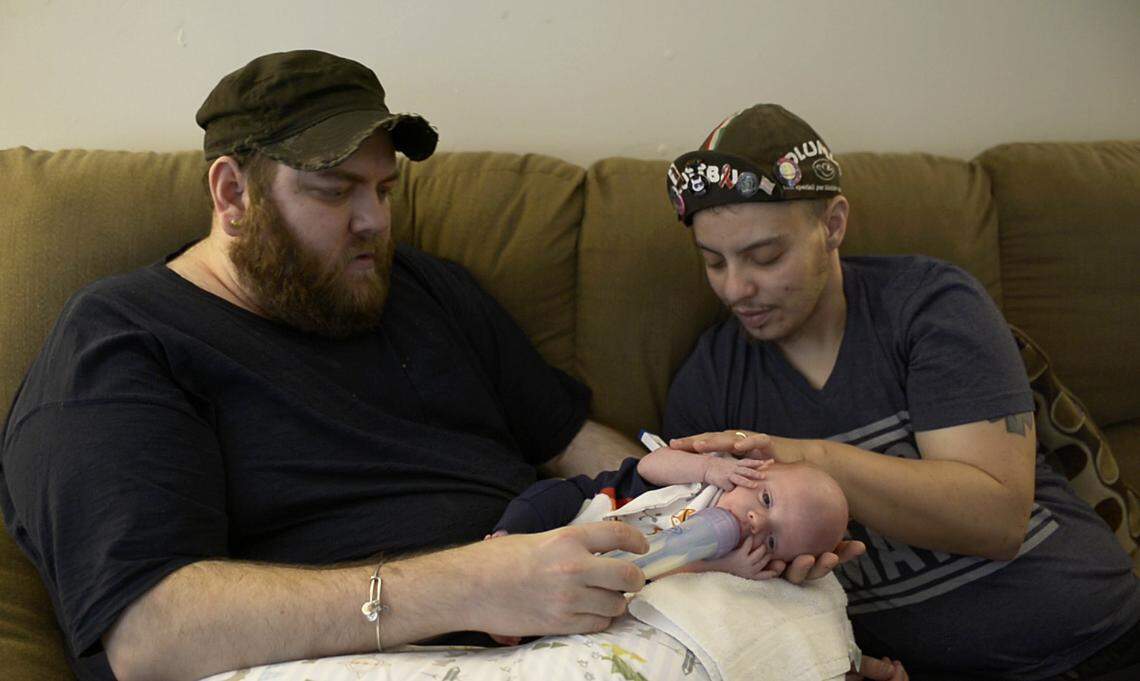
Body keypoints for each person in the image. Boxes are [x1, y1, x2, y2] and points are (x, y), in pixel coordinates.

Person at [0, 53, 858, 681]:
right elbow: (150, 632)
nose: (374, 220)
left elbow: (574, 446)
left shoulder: (424, 290)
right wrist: (472, 588)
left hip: (573, 617)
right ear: (233, 194)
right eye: (337, 193)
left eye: (385, 189)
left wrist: (727, 514)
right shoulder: (122, 340)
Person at [660, 103, 1140, 679]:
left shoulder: (928, 306)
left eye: (766, 256)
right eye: (714, 262)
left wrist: (808, 456)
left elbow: (996, 520)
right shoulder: (711, 385)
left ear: (832, 225)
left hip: (1099, 642)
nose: (737, 289)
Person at [493, 444, 850, 571]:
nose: (757, 521)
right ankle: (504, 539)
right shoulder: (720, 471)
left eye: (772, 541)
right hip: (596, 505)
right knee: (547, 497)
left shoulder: (728, 552)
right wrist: (709, 468)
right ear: (761, 467)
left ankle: (511, 626)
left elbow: (667, 570)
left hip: (603, 562)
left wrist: (727, 567)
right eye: (767, 499)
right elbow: (650, 465)